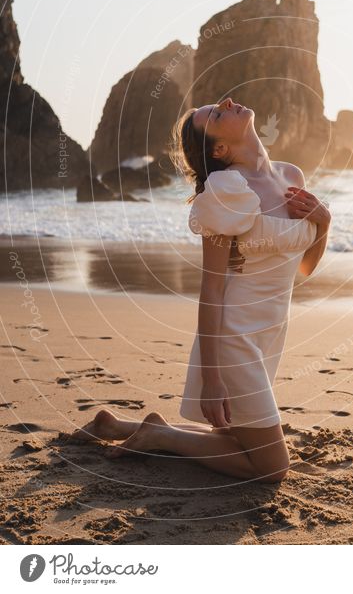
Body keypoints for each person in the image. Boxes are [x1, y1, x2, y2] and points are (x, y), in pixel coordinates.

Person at [72, 97, 331, 484]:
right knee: (272, 467)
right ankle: (162, 435)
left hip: (271, 329)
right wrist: (212, 379)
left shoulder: (291, 174)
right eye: (215, 113)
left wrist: (323, 223)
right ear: (220, 149)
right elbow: (211, 290)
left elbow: (303, 269)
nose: (226, 102)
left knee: (234, 439)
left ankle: (123, 425)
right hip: (234, 336)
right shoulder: (225, 191)